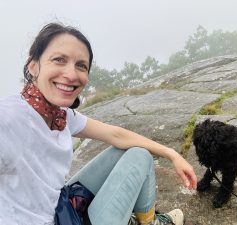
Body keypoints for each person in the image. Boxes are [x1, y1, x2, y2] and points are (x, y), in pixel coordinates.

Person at [0, 22, 197, 225]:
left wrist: (172, 154)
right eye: (59, 60)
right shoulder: (9, 117)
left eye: (81, 65)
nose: (71, 74)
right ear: (33, 66)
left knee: (137, 153)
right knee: (140, 157)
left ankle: (149, 221)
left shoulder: (60, 115)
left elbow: (116, 135)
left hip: (60, 206)